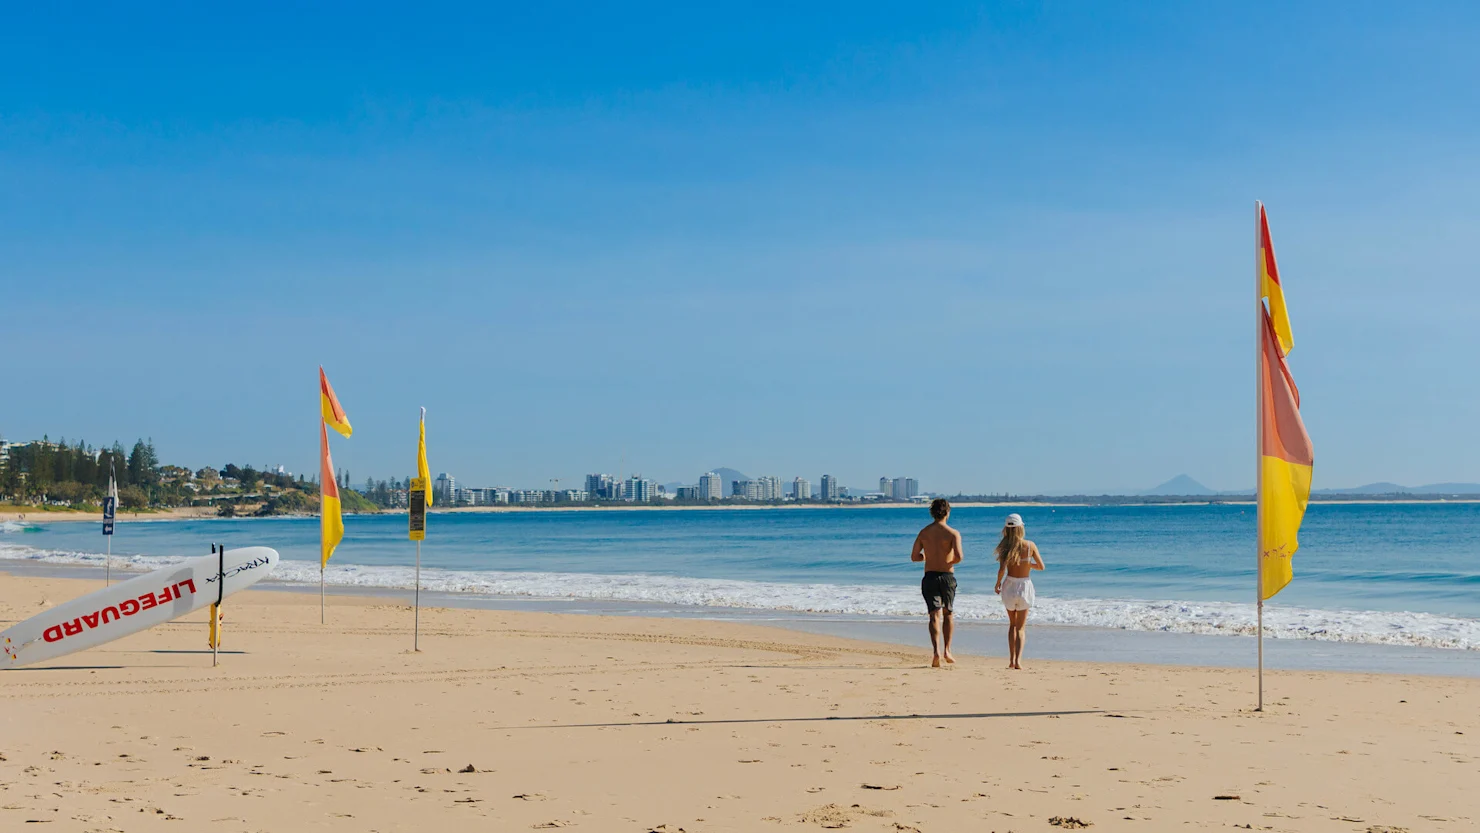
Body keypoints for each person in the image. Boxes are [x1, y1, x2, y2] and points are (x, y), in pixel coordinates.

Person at [911, 498, 963, 667]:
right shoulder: (953, 533)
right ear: (947, 512)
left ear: (932, 513)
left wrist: (929, 556)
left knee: (934, 614)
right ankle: (948, 650)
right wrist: (946, 560)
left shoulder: (924, 532)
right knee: (948, 612)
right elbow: (959, 557)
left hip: (930, 576)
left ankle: (936, 652)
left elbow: (914, 557)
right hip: (947, 576)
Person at [994, 513, 1044, 669]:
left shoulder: (1004, 546)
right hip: (1024, 587)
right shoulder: (1030, 545)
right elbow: (1041, 567)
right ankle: (1018, 662)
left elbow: (1002, 569)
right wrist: (1028, 564)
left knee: (1012, 625)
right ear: (1021, 527)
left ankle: (1011, 660)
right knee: (1021, 627)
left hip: (1009, 586)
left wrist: (997, 584)